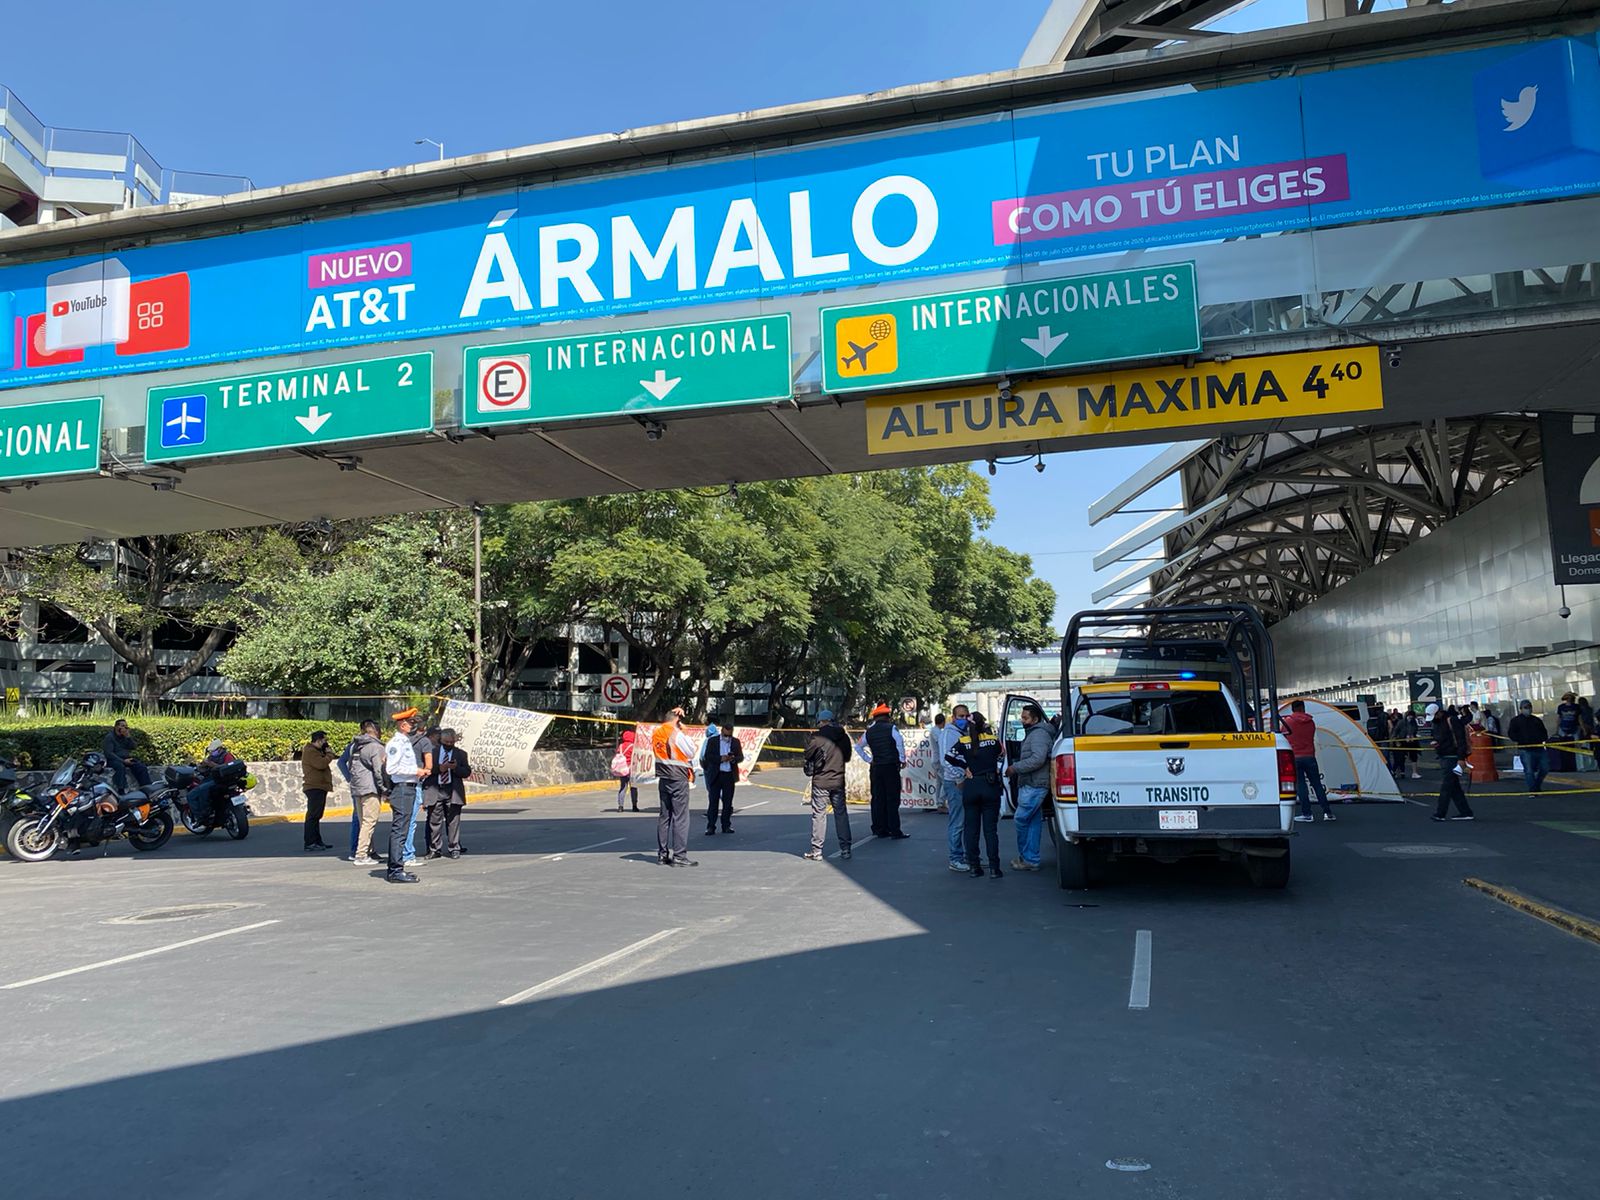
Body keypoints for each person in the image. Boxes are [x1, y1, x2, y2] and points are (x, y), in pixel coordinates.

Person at [947, 711, 1003, 878]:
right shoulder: (992, 740)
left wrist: (965, 767)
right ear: (983, 724)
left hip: (971, 786)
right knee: (990, 830)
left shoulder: (964, 741)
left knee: (971, 829)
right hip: (990, 785)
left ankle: (974, 867)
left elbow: (948, 757)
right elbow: (1002, 754)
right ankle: (994, 868)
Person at [1006, 702, 1053, 872]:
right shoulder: (1034, 733)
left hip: (1035, 784)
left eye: (1025, 718)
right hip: (1033, 782)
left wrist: (1015, 767)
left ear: (1035, 719)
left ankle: (1028, 858)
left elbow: (1038, 759)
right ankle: (1030, 858)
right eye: (1022, 717)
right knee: (1032, 821)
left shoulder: (1039, 735)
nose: (1022, 721)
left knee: (1021, 819)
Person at [802, 710, 853, 861]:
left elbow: (807, 754)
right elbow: (848, 756)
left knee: (819, 814)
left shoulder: (817, 737)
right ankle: (846, 848)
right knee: (841, 813)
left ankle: (816, 850)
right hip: (838, 780)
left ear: (821, 721)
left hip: (821, 781)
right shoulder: (843, 736)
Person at [651, 707, 698, 867]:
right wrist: (684, 731)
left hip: (663, 778)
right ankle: (679, 855)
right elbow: (691, 751)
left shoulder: (657, 733)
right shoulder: (676, 734)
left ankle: (662, 855)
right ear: (677, 720)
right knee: (680, 817)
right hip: (678, 778)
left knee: (665, 817)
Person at [383, 709, 424, 882]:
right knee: (400, 830)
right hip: (401, 788)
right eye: (411, 723)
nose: (414, 726)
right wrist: (416, 770)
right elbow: (391, 769)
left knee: (404, 829)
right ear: (402, 724)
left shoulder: (405, 742)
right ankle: (395, 870)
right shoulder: (396, 743)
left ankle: (398, 867)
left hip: (409, 787)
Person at [857, 702, 908, 840]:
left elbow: (858, 747)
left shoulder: (869, 731)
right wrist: (902, 760)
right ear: (887, 716)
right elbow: (899, 744)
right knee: (892, 798)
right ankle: (895, 830)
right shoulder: (892, 728)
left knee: (878, 798)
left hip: (876, 768)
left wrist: (869, 759)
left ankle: (880, 829)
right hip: (891, 766)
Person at [1282, 699, 1335, 821]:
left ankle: (1307, 814)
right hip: (1310, 757)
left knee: (1301, 786)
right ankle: (1328, 813)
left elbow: (1284, 736)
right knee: (1317, 785)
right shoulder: (1311, 722)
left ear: (1293, 709)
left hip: (1295, 757)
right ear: (1303, 708)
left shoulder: (1287, 722)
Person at [424, 728, 473, 859]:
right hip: (436, 789)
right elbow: (426, 770)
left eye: (452, 742)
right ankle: (435, 849)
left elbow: (467, 772)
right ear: (441, 740)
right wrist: (439, 769)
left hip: (453, 790)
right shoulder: (432, 753)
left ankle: (454, 847)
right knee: (434, 821)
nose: (449, 744)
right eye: (447, 742)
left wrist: (455, 768)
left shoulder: (461, 754)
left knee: (453, 821)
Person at [346, 720, 389, 866]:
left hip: (357, 788)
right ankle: (361, 854)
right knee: (369, 822)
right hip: (370, 788)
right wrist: (384, 788)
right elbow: (379, 770)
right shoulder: (376, 747)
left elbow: (348, 765)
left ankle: (370, 851)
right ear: (376, 732)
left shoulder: (354, 746)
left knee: (363, 820)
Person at [1427, 703, 1473, 822]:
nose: (1434, 719)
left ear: (1439, 713)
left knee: (1446, 786)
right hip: (1446, 755)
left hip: (1452, 757)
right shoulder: (1438, 723)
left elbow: (1461, 740)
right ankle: (1465, 812)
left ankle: (1440, 813)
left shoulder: (1451, 721)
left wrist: (1461, 758)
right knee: (1453, 787)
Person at [939, 705, 971, 872]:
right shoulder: (949, 734)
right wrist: (959, 778)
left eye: (966, 716)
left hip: (962, 780)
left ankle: (966, 856)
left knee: (964, 821)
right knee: (957, 821)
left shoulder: (961, 733)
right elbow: (946, 760)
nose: (963, 719)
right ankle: (955, 858)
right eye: (960, 716)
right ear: (953, 717)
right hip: (955, 782)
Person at [700, 718, 743, 835]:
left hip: (729, 775)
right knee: (713, 801)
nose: (727, 737)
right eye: (725, 734)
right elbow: (708, 756)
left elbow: (740, 757)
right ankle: (711, 826)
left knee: (727, 802)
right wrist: (720, 759)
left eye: (729, 735)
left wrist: (733, 758)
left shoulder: (735, 742)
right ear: (722, 730)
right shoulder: (713, 741)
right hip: (716, 774)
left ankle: (726, 825)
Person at [299, 730, 336, 852]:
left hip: (320, 786)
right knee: (313, 816)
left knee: (316, 816)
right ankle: (310, 842)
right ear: (318, 740)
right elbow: (321, 764)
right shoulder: (310, 751)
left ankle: (317, 841)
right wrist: (329, 755)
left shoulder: (316, 751)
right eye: (324, 740)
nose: (326, 743)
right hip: (314, 787)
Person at [1508, 700, 1549, 793]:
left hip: (1539, 748)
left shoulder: (1536, 720)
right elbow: (1511, 734)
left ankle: (1536, 786)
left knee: (1545, 768)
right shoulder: (1515, 721)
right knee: (1529, 770)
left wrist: (1542, 739)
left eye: (1529, 707)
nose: (1528, 709)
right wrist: (1521, 740)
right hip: (1525, 749)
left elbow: (1544, 732)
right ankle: (1533, 789)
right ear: (1521, 709)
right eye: (1526, 707)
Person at [102, 719, 152, 793]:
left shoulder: (125, 737)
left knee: (141, 766)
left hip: (126, 758)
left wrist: (128, 737)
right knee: (120, 767)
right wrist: (123, 761)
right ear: (116, 727)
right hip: (114, 760)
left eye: (126, 726)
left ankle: (146, 786)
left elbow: (133, 747)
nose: (125, 728)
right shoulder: (110, 737)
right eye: (122, 726)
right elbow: (109, 753)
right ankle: (121, 789)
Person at [612, 729, 640, 812]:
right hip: (631, 770)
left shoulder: (620, 746)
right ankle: (634, 806)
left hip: (622, 770)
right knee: (633, 788)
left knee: (623, 788)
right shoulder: (633, 747)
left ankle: (620, 806)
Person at [1553, 692, 1582, 772]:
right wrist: (1556, 730)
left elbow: (1579, 718)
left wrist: (1583, 728)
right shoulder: (1561, 707)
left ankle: (1579, 765)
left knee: (1577, 746)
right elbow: (1559, 718)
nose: (1568, 699)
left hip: (1574, 728)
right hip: (1563, 728)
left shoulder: (1576, 707)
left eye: (1569, 697)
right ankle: (1565, 765)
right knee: (1563, 746)